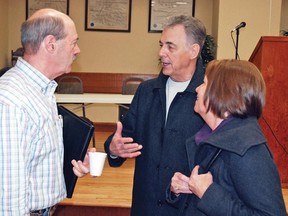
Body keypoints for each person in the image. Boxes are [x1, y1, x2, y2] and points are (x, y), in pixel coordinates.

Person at [105, 15, 207, 216]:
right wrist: (114, 148)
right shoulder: (146, 91)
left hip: (189, 208)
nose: (161, 53)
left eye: (170, 46)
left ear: (193, 51)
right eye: (161, 45)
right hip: (146, 206)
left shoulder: (209, 95)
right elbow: (125, 138)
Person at [167, 59, 287, 215]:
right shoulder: (209, 137)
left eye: (204, 83)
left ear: (221, 93)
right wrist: (179, 190)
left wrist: (208, 194)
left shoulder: (247, 150)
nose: (197, 89)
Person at [0, 8, 80, 215]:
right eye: (73, 43)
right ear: (51, 44)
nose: (77, 50)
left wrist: (73, 160)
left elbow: (35, 155)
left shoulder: (41, 89)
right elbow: (8, 192)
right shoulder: (11, 100)